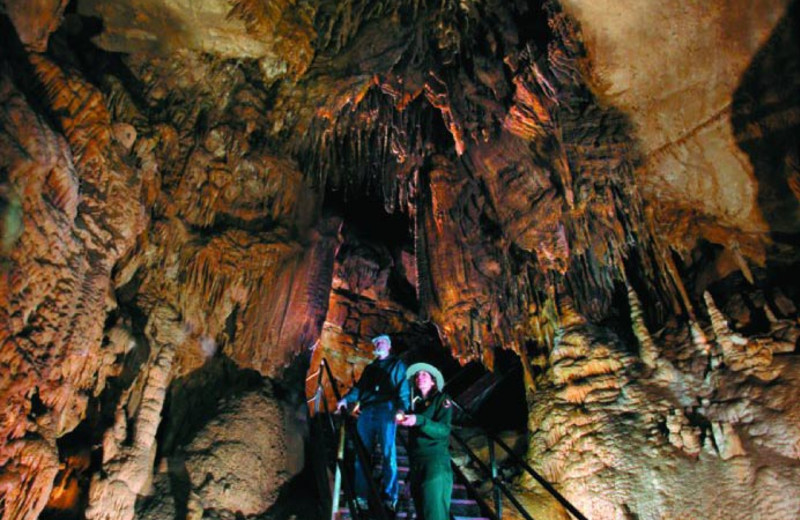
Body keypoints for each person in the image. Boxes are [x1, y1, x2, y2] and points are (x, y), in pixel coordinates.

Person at [337, 334, 410, 511]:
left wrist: (402, 408)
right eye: (376, 342)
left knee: (388, 453)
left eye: (382, 341)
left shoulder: (397, 365)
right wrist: (346, 400)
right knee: (362, 453)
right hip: (368, 410)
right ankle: (361, 495)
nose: (378, 344)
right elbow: (360, 388)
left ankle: (389, 495)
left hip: (387, 409)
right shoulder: (370, 368)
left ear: (389, 345)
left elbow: (403, 389)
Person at [396, 363, 453, 520]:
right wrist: (409, 477)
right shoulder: (418, 406)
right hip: (417, 466)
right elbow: (414, 444)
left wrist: (419, 420)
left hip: (435, 464)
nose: (419, 377)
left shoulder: (442, 400)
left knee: (435, 514)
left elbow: (444, 430)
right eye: (417, 375)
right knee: (422, 515)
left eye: (424, 375)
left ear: (433, 381)